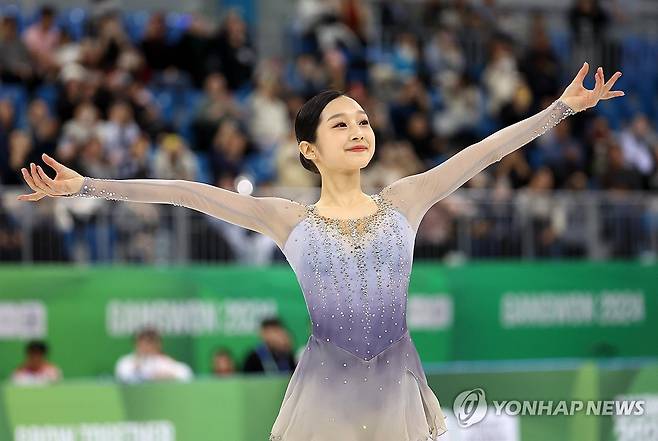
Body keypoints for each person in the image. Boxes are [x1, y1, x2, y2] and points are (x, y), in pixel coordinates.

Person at [17, 62, 623, 440]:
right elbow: (184, 193)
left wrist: (561, 110)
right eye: (341, 125)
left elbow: (484, 153)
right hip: (324, 397)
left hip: (396, 392)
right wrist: (89, 185)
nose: (360, 132)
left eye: (363, 121)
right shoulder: (288, 219)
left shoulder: (405, 199)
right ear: (308, 150)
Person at [114, 328, 193, 383]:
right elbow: (123, 376)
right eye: (142, 343)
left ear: (158, 345)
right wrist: (137, 368)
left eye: (150, 343)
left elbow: (186, 375)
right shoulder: (127, 362)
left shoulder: (164, 362)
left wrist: (170, 376)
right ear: (136, 344)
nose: (146, 347)